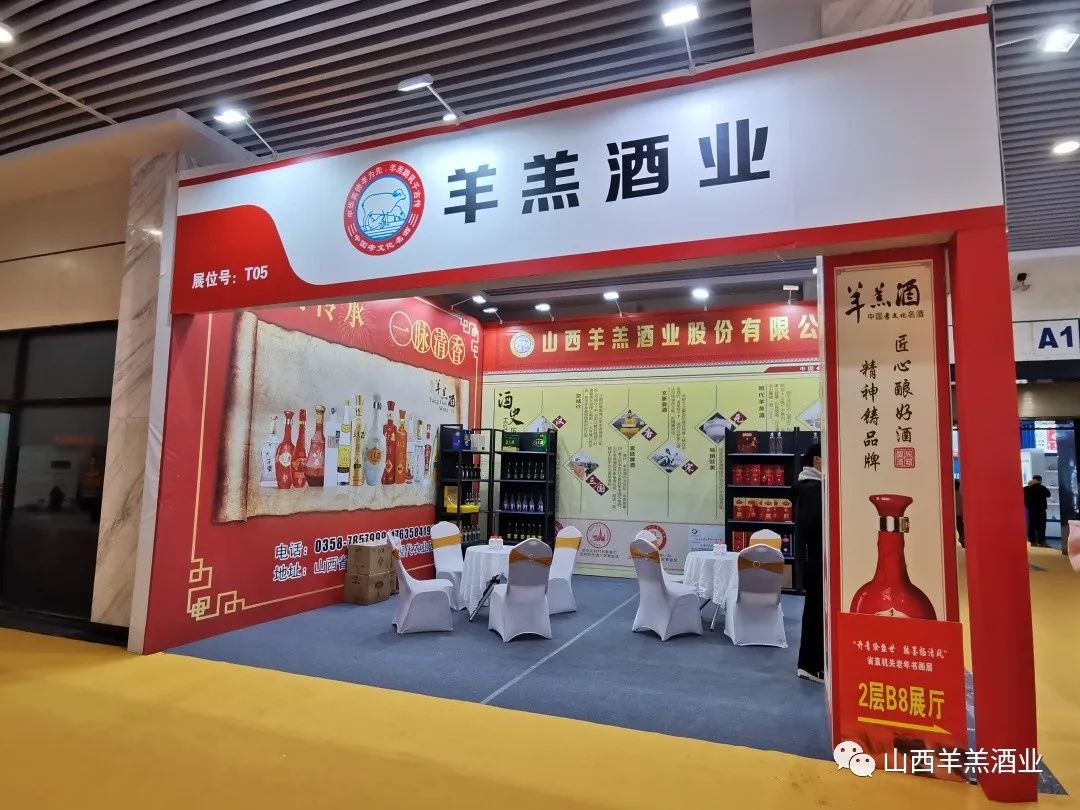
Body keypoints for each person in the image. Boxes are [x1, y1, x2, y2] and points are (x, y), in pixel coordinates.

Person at [795, 442, 824, 683]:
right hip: (815, 560)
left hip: (813, 560)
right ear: (816, 460)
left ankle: (813, 664)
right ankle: (810, 665)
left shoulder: (809, 486)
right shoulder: (812, 488)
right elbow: (813, 524)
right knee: (815, 612)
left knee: (816, 610)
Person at [1023, 475, 1052, 548]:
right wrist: (1038, 485)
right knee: (1041, 527)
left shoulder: (1026, 488)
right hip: (1040, 511)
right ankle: (1041, 542)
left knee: (1031, 526)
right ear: (1039, 481)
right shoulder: (1040, 487)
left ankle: (1032, 542)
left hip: (1030, 511)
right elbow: (1048, 494)